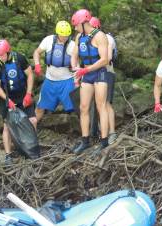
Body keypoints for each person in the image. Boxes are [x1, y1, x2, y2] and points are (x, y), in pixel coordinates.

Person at [0, 39, 36, 163]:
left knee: (32, 120)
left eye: (3, 55)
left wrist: (28, 94)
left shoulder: (19, 58)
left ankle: (30, 148)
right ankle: (8, 155)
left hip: (22, 94)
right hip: (6, 96)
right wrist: (7, 100)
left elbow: (30, 75)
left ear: (8, 51)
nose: (1, 58)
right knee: (7, 126)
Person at [70, 9, 110, 154]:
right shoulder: (79, 37)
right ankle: (85, 140)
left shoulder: (100, 36)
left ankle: (104, 142)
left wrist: (85, 71)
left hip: (99, 73)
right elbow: (74, 54)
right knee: (83, 107)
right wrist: (75, 68)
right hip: (85, 74)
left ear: (83, 23)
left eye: (76, 25)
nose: (74, 28)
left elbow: (104, 59)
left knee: (101, 106)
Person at [33, 21, 76, 122]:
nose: (65, 37)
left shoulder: (73, 45)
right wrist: (37, 64)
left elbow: (76, 64)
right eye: (62, 35)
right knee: (40, 107)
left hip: (67, 81)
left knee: (76, 107)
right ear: (57, 33)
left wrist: (77, 81)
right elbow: (37, 52)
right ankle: (31, 130)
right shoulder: (48, 40)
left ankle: (82, 132)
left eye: (67, 35)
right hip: (50, 81)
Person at [89, 16, 118, 145]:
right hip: (93, 74)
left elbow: (107, 57)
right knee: (98, 103)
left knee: (105, 103)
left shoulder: (107, 38)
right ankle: (100, 131)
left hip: (106, 73)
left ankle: (111, 133)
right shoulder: (87, 39)